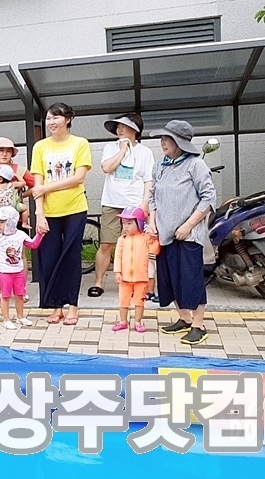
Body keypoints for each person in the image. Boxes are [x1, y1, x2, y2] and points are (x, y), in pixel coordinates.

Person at [146, 120, 216, 346]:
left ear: (180, 142)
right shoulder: (160, 165)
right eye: (162, 138)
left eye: (168, 138)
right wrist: (152, 222)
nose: (163, 142)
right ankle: (184, 318)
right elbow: (152, 196)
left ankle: (198, 325)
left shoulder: (196, 164)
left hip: (189, 234)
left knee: (190, 279)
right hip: (164, 233)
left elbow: (208, 198)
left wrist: (188, 225)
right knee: (169, 278)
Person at [30, 103, 92, 326]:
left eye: (56, 117)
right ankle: (56, 306)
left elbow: (78, 178)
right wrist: (39, 214)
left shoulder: (80, 143)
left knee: (71, 257)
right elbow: (37, 184)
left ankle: (73, 306)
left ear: (68, 119)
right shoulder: (40, 147)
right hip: (49, 212)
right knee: (50, 258)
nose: (51, 122)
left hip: (75, 208)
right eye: (48, 118)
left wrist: (47, 188)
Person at [90, 113, 155, 299]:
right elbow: (106, 168)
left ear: (135, 130)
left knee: (136, 245)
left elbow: (148, 180)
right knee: (106, 244)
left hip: (135, 204)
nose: (119, 129)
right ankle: (98, 283)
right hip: (111, 202)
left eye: (124, 126)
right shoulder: (110, 147)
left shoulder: (145, 152)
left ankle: (134, 283)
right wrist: (122, 150)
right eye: (118, 126)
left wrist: (144, 204)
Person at [0, 207, 43, 330]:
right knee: (5, 296)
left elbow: (33, 244)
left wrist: (40, 234)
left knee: (20, 295)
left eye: (2, 222)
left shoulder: (20, 235)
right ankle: (6, 319)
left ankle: (20, 317)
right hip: (4, 272)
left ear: (11, 222)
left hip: (19, 270)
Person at [112, 207, 160, 333]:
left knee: (140, 301)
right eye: (124, 223)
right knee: (123, 301)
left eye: (129, 223)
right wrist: (117, 272)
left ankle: (138, 321)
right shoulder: (122, 239)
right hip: (124, 278)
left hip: (142, 278)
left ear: (139, 223)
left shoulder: (146, 238)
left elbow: (155, 250)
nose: (126, 227)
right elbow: (117, 257)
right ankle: (123, 321)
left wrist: (154, 238)